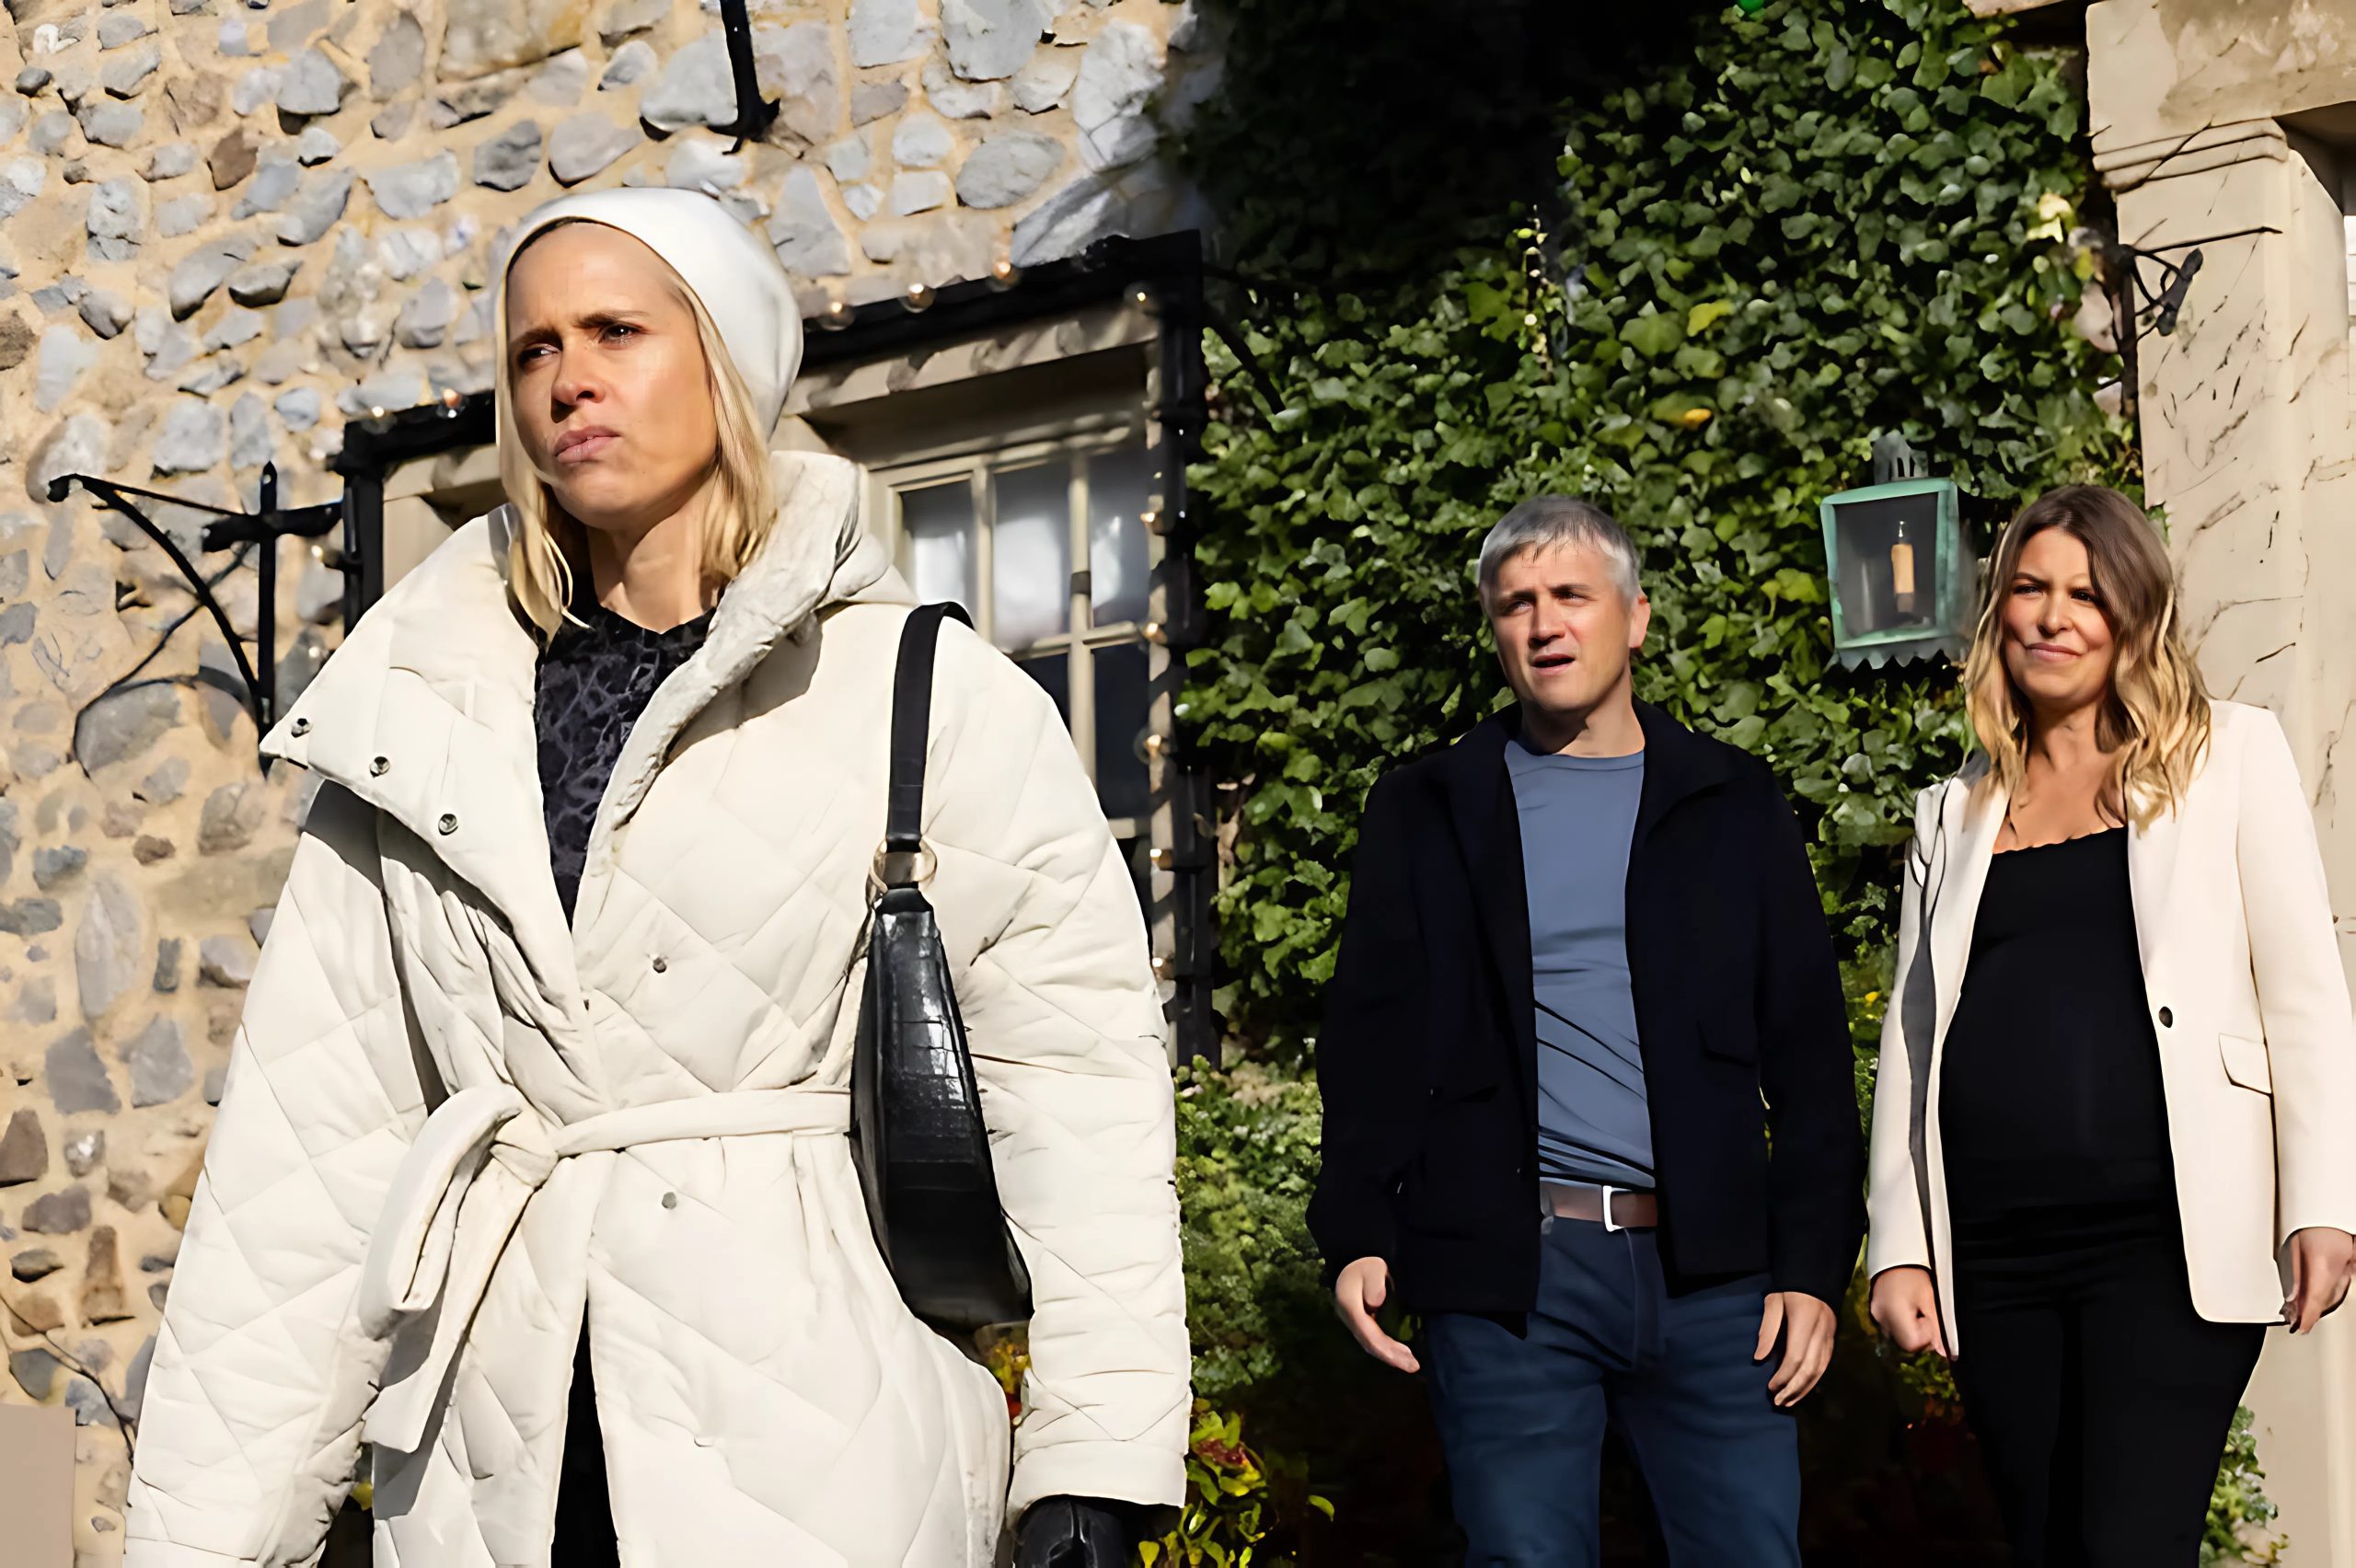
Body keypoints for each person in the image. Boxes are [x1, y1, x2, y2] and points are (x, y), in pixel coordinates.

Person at [121, 187, 1187, 1567]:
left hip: (822, 1442)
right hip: (488, 1456)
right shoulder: (414, 720)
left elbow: (1075, 1086)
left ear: (726, 357)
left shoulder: (923, 690)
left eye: (615, 331)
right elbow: (305, 1160)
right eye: (533, 348)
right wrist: (204, 1540)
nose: (566, 379)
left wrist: (1094, 1462)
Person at [1309, 495, 1864, 1566]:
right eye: (1514, 603)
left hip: (1715, 1282)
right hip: (1510, 1280)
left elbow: (1807, 1052)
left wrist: (1808, 1264)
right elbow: (1371, 1040)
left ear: (1635, 617)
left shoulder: (1732, 803)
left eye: (1570, 595)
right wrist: (1360, 1230)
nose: (1543, 624)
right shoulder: (1428, 808)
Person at [1865, 484, 2356, 1566]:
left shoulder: (2229, 756)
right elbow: (1913, 1039)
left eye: (2084, 595)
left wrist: (2323, 1202)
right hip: (1995, 1256)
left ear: (2133, 613)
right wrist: (1899, 1249)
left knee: (2129, 1545)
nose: (2052, 617)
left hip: (2164, 1244)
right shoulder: (1952, 813)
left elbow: (2304, 994)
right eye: (2028, 589)